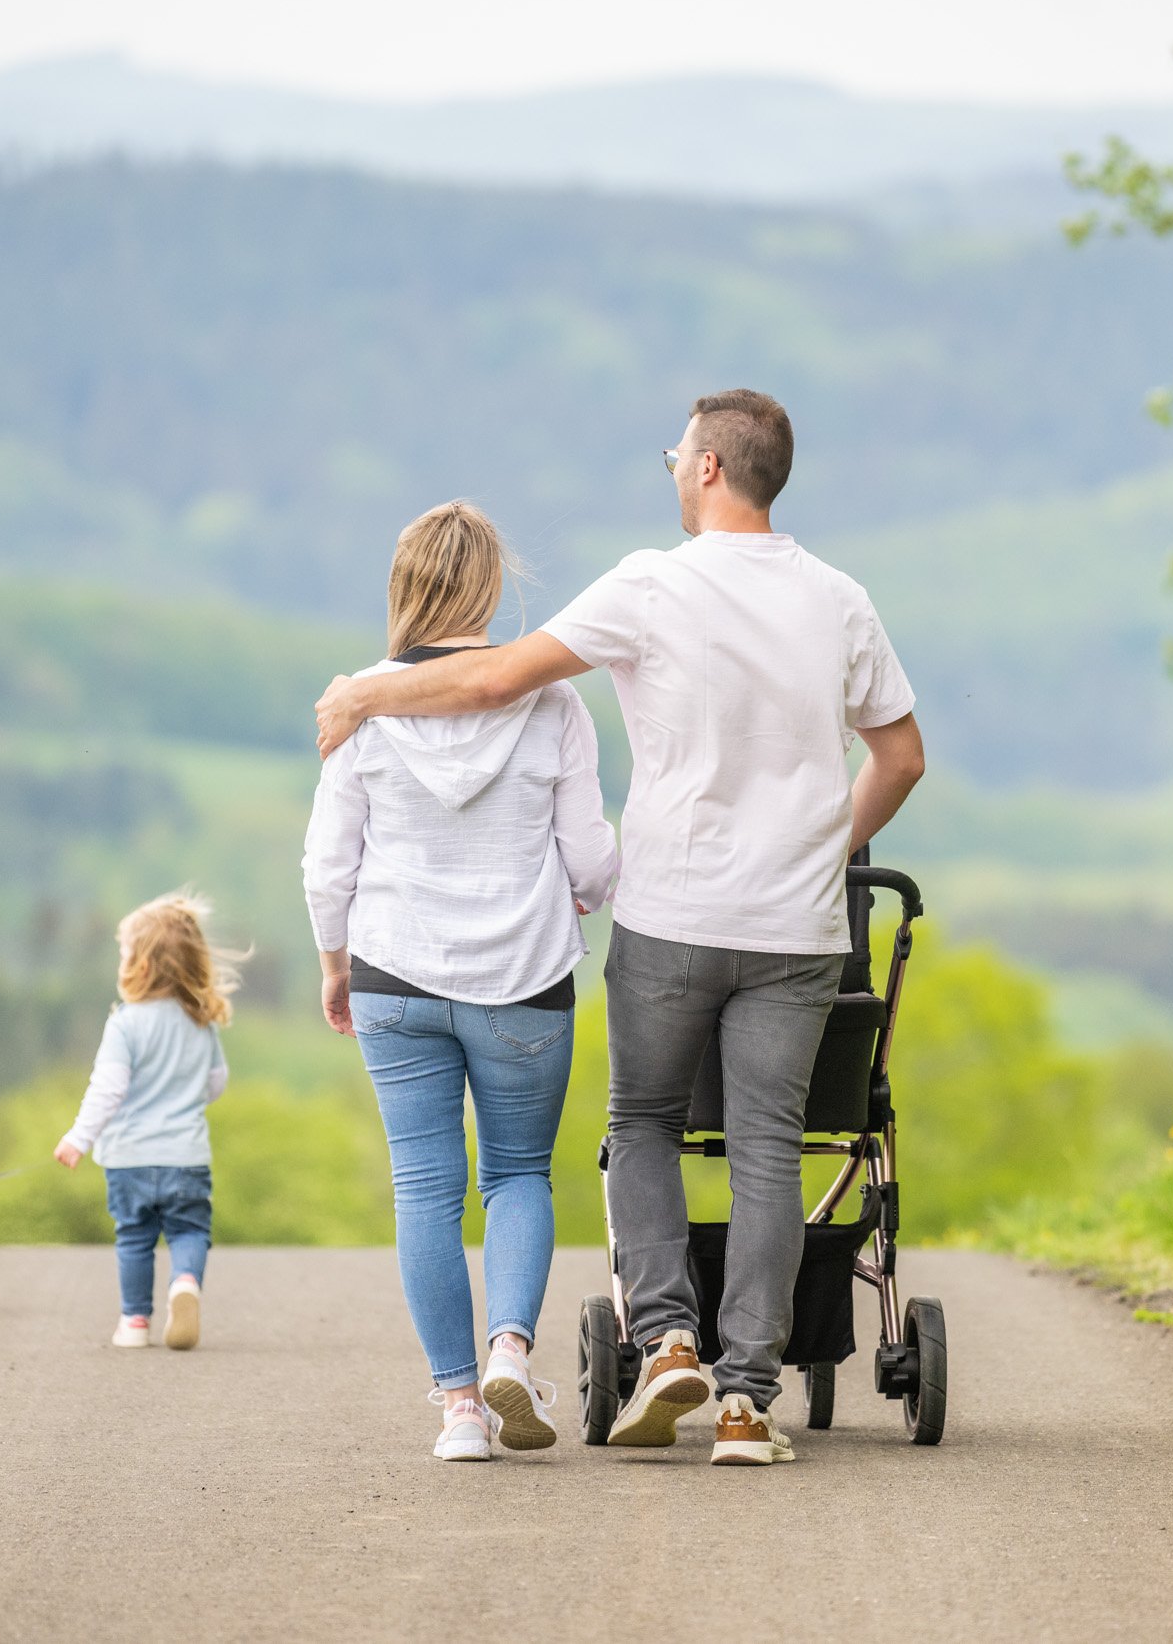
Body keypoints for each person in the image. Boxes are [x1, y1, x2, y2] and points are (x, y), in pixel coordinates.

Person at [315, 390, 924, 1467]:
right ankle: (745, 1402)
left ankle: (667, 1340)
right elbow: (900, 757)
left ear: (705, 469)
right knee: (769, 1150)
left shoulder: (651, 584)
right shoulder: (840, 599)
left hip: (673, 916)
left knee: (641, 1123)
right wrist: (829, 851)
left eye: (674, 453)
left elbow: (497, 675)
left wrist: (365, 699)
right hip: (795, 927)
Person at [303, 500, 619, 1462]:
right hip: (523, 979)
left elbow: (328, 863)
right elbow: (593, 860)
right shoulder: (553, 704)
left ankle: (457, 1413)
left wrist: (334, 962)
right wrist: (582, 894)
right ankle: (510, 1355)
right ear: (488, 586)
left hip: (394, 971)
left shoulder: (359, 705)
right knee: (519, 1172)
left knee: (424, 1187)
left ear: (404, 587)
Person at [52, 890, 238, 1352]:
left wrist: (79, 1138)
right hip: (186, 1156)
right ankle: (185, 1284)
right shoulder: (201, 1022)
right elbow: (216, 1084)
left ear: (143, 965)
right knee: (190, 1231)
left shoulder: (125, 1024)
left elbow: (107, 1089)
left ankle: (135, 1323)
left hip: (129, 1159)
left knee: (134, 1239)